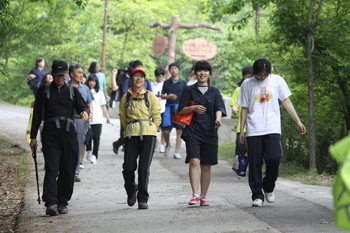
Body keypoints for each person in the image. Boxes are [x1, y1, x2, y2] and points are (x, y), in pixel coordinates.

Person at [238, 58, 306, 207]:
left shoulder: (277, 80)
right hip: (253, 128)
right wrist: (242, 130)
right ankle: (257, 195)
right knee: (255, 162)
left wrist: (298, 121)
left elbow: (286, 101)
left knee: (274, 157)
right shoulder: (247, 84)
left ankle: (268, 186)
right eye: (259, 75)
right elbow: (244, 107)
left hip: (272, 127)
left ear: (269, 72)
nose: (261, 78)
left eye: (264, 75)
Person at [29, 60, 89, 216]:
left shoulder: (72, 90)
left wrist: (84, 112)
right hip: (50, 134)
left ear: (67, 75)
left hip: (69, 134)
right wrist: (33, 137)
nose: (60, 78)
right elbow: (37, 115)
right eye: (57, 75)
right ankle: (51, 202)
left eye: (63, 75)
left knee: (68, 169)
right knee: (52, 168)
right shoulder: (44, 90)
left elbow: (82, 105)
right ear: (52, 74)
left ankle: (63, 201)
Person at [178, 60, 226, 206]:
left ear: (209, 73)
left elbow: (219, 107)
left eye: (205, 70)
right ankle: (195, 194)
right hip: (193, 130)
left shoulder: (215, 91)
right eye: (200, 70)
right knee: (194, 161)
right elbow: (181, 109)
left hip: (210, 131)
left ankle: (204, 196)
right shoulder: (189, 90)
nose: (202, 73)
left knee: (206, 165)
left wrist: (218, 119)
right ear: (195, 72)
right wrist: (193, 108)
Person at [119, 68, 161, 210]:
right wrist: (127, 128)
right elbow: (123, 117)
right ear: (131, 80)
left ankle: (142, 199)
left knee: (144, 168)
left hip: (148, 135)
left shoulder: (150, 96)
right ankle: (131, 190)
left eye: (141, 77)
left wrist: (154, 128)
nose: (138, 79)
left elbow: (157, 114)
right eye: (136, 76)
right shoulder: (126, 98)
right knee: (128, 168)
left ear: (144, 80)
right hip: (131, 135)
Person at [68, 64, 94, 181]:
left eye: (82, 73)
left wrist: (90, 113)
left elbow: (89, 103)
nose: (81, 75)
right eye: (78, 72)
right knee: (67, 147)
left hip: (80, 121)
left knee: (78, 146)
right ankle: (65, 171)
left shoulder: (85, 88)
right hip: (67, 120)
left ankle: (75, 173)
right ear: (71, 74)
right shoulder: (65, 88)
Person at [160, 62, 187, 159]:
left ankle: (177, 151)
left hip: (179, 109)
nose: (173, 70)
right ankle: (168, 144)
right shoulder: (166, 82)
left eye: (175, 68)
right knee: (166, 130)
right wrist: (168, 96)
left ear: (178, 70)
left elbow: (187, 95)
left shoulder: (183, 83)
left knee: (179, 130)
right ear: (169, 70)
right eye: (171, 69)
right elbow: (162, 95)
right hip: (168, 108)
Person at [230, 66, 253, 177]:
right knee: (241, 148)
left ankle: (252, 169)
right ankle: (240, 167)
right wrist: (234, 108)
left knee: (253, 150)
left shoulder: (257, 90)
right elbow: (234, 103)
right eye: (247, 76)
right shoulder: (238, 90)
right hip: (242, 126)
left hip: (255, 127)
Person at [86, 74, 111, 164]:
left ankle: (94, 155)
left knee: (96, 137)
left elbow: (103, 106)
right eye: (90, 81)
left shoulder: (100, 93)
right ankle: (88, 151)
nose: (92, 83)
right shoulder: (85, 90)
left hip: (98, 118)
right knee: (88, 137)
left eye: (94, 81)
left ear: (96, 83)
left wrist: (107, 117)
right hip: (88, 117)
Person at [151, 68, 166, 152]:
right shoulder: (152, 85)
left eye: (160, 76)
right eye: (157, 76)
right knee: (154, 127)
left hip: (163, 107)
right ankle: (155, 141)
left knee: (164, 128)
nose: (159, 78)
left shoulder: (165, 84)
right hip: (154, 109)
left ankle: (162, 144)